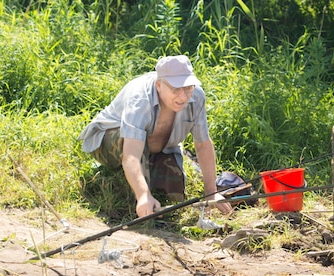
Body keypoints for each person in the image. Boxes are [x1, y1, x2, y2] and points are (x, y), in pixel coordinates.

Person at [78, 55, 232, 217]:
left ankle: (147, 179)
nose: (183, 97)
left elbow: (203, 145)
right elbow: (131, 155)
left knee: (176, 194)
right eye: (176, 89)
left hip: (160, 148)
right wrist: (143, 195)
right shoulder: (139, 99)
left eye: (188, 88)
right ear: (159, 85)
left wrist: (211, 192)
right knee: (141, 195)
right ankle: (136, 191)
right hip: (109, 141)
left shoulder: (197, 96)